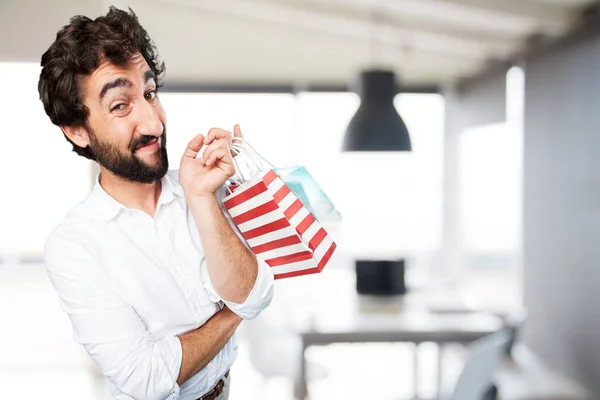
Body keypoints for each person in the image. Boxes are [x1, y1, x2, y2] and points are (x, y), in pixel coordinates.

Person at [38, 7, 274, 400]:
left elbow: (258, 292)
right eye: (120, 105)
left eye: (149, 94)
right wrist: (235, 312)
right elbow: (146, 379)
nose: (154, 123)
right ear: (78, 131)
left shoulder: (201, 188)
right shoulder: (73, 246)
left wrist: (202, 197)